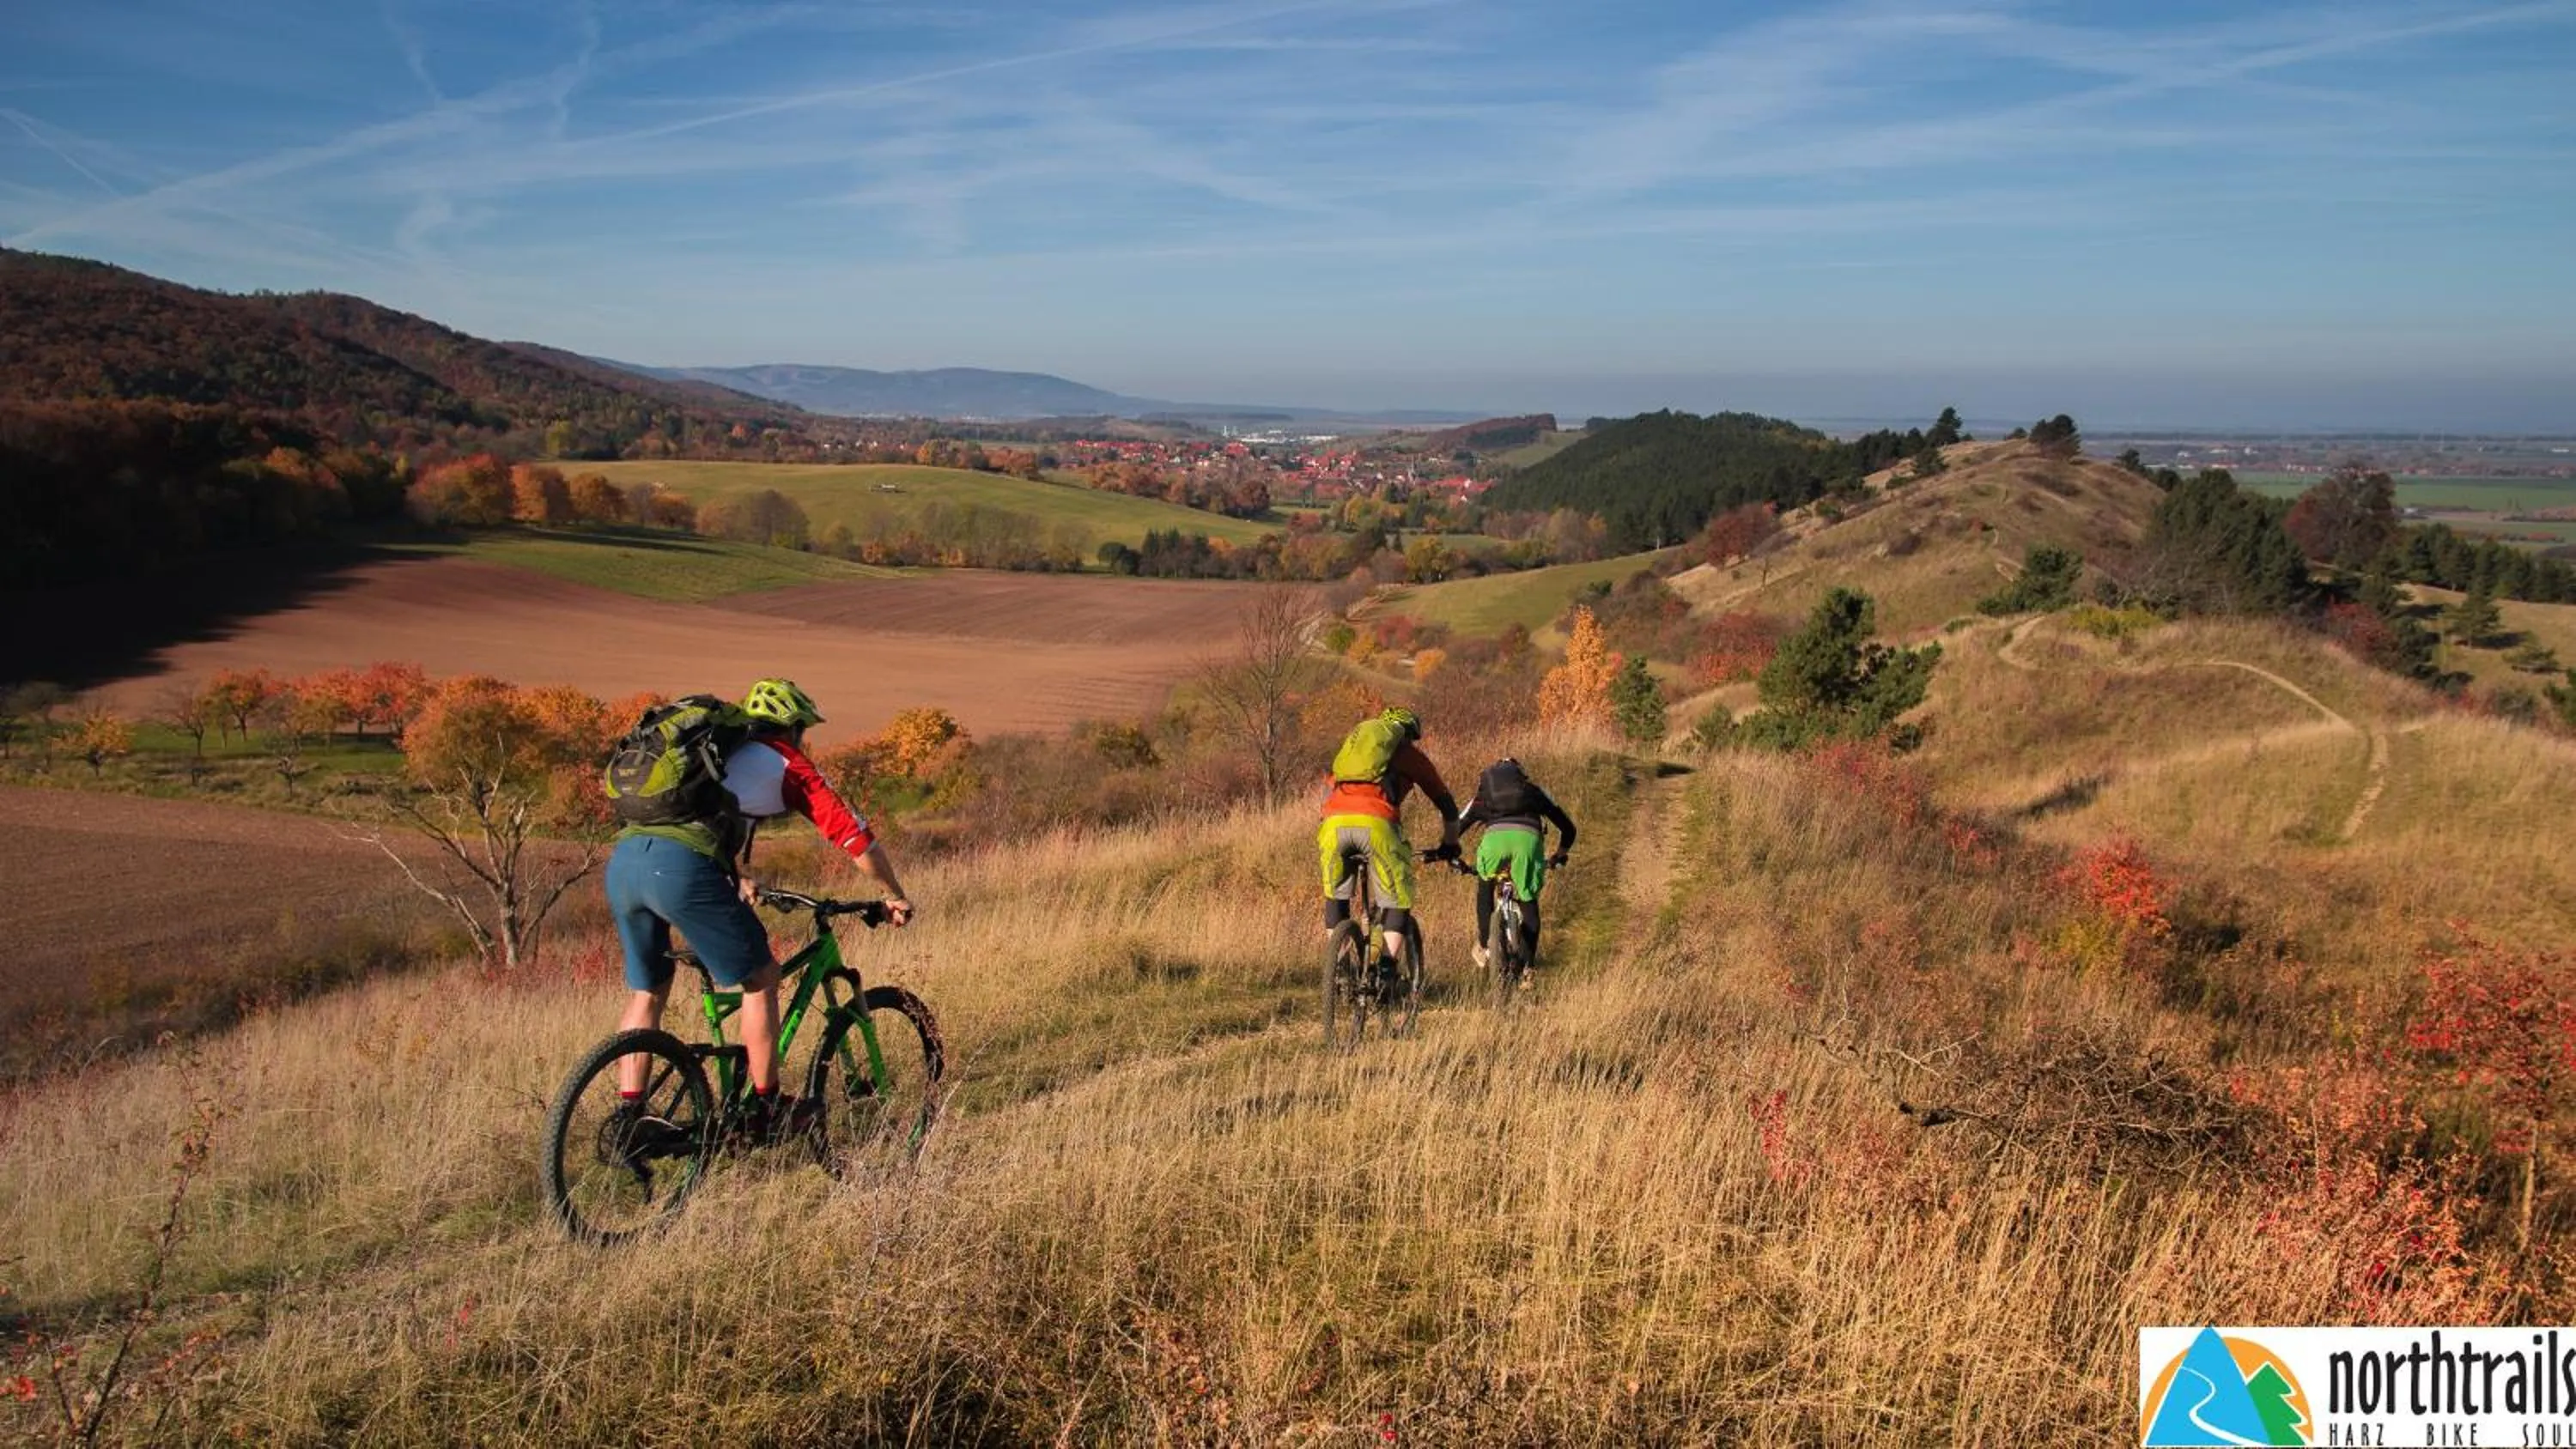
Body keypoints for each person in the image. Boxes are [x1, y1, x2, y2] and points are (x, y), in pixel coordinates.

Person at [604, 677, 914, 1140]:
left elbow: (705, 818)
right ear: (792, 729)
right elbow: (856, 840)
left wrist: (736, 877)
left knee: (649, 992)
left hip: (625, 862)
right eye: (803, 732)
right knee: (762, 977)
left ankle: (631, 1117)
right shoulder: (790, 764)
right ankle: (768, 1107)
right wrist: (893, 892)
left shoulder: (711, 755)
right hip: (682, 871)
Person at [1317, 706, 1461, 986]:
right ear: (1406, 734)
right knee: (1398, 898)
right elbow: (1447, 804)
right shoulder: (1408, 754)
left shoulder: (1352, 756)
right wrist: (1450, 844)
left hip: (1333, 824)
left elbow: (1328, 792)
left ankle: (1342, 970)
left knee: (1336, 895)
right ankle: (1385, 970)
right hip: (1377, 823)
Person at [1457, 757, 1577, 977]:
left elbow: (1457, 826)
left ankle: (1485, 943)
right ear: (1520, 777)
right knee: (1528, 901)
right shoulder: (1534, 792)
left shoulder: (1483, 796)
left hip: (1494, 843)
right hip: (1528, 842)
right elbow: (1568, 828)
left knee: (1485, 887)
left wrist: (1452, 857)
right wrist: (1559, 855)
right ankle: (1528, 969)